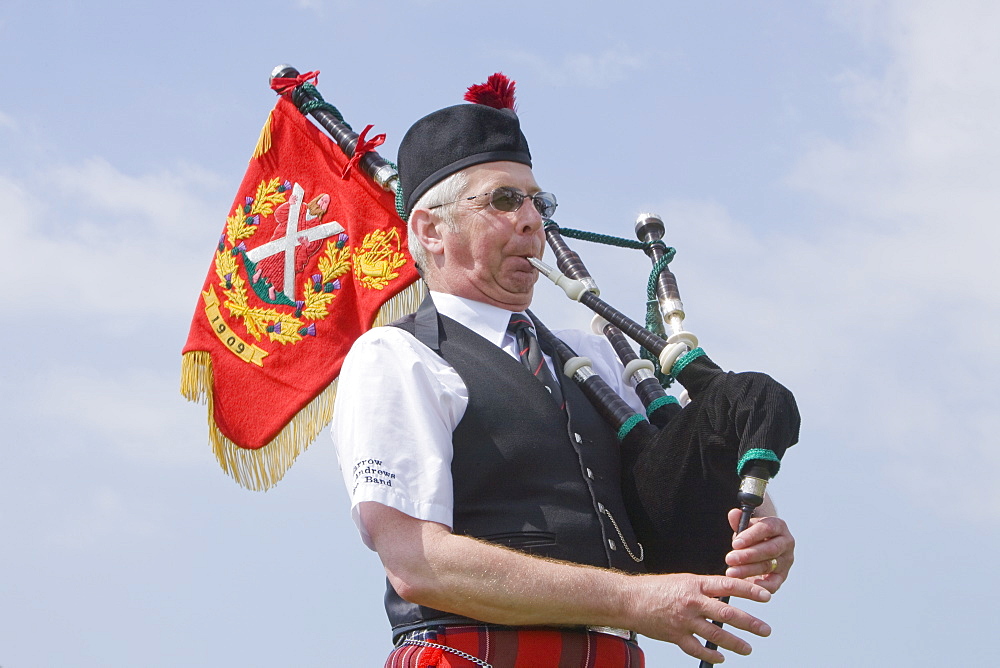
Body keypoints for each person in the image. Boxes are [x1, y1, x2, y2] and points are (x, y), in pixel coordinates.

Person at [332, 75, 795, 667]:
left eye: (539, 203)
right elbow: (417, 563)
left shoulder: (593, 354)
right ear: (430, 230)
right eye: (504, 201)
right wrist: (633, 599)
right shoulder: (396, 357)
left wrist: (760, 534)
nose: (533, 221)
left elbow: (682, 488)